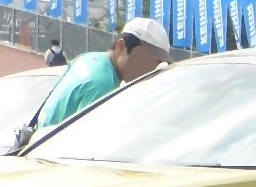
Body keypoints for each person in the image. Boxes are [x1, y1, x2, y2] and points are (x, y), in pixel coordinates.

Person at [38, 16, 170, 130]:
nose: (149, 70)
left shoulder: (87, 58)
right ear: (121, 47)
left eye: (156, 64)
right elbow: (80, 142)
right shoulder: (103, 84)